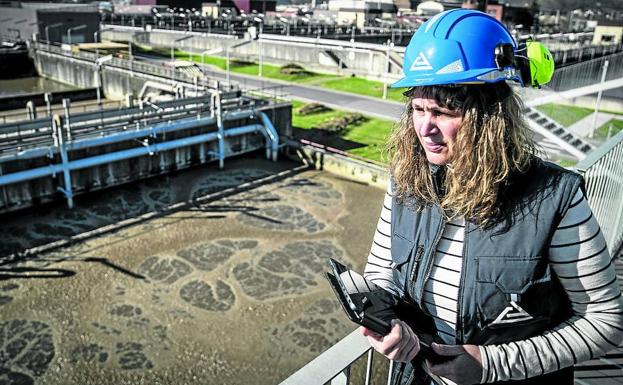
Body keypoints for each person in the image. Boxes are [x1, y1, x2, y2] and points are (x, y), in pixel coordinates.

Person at [361, 9, 623, 385]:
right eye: (417, 109)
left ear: (490, 116)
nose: (424, 128)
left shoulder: (557, 200)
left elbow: (604, 320)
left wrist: (490, 363)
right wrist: (385, 321)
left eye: (442, 111)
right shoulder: (405, 181)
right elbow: (381, 272)